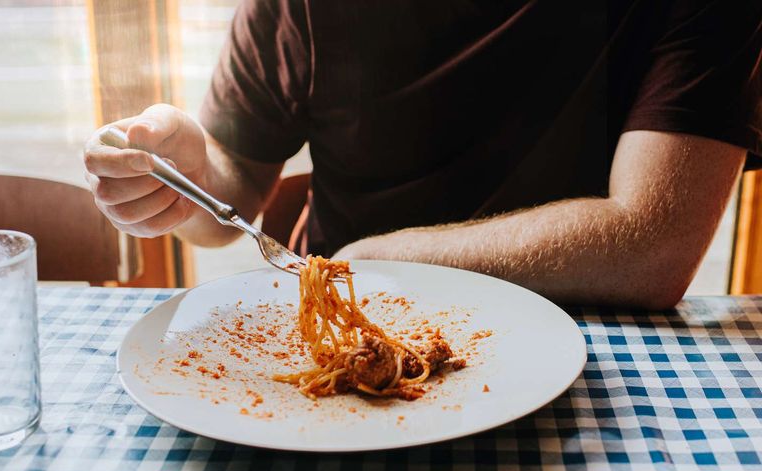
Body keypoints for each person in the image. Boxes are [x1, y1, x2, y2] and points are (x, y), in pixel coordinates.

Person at [84, 1, 762, 309]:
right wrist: (189, 176)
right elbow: (233, 190)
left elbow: (654, 245)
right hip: (341, 325)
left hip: (581, 340)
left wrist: (374, 258)